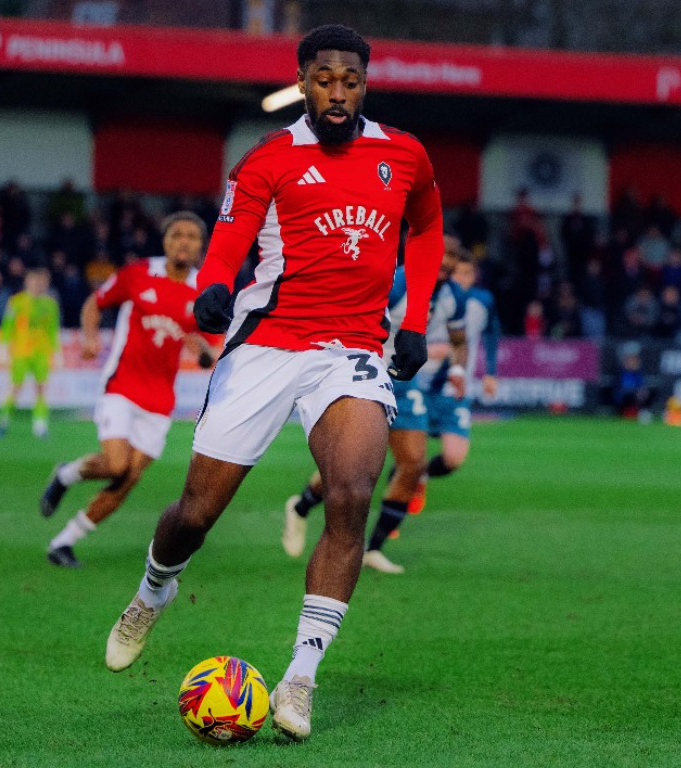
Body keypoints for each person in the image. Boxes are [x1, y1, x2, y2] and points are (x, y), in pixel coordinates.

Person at [102, 25, 444, 743]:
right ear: (303, 80)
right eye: (324, 80)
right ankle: (151, 592)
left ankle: (300, 679)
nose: (338, 93)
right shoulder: (269, 160)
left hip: (352, 348)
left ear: (364, 84)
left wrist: (414, 320)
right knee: (196, 514)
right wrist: (214, 286)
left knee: (351, 495)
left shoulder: (404, 154)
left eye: (350, 81)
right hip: (267, 345)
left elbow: (427, 227)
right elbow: (229, 237)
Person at [282, 234, 468, 572]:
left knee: (413, 463)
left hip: (405, 380)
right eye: (441, 253)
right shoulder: (398, 282)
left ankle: (373, 548)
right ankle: (300, 507)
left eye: (452, 256)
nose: (445, 261)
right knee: (353, 465)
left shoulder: (454, 296)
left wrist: (456, 367)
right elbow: (364, 318)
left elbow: (460, 339)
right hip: (365, 372)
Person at [39, 212, 216, 568]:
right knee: (116, 465)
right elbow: (95, 303)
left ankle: (63, 542)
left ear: (201, 246)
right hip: (121, 386)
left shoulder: (204, 291)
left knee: (127, 479)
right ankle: (66, 474)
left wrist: (203, 351)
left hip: (160, 401)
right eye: (177, 235)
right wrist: (90, 338)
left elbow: (213, 351)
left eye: (192, 236)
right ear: (165, 242)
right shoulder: (137, 274)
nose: (184, 241)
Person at [407, 252, 500, 515]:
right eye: (458, 273)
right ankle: (390, 517)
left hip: (455, 389)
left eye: (468, 273)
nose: (463, 279)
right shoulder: (431, 296)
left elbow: (492, 332)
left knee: (453, 458)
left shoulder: (483, 301)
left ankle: (420, 476)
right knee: (411, 454)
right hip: (421, 385)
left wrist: (491, 373)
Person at [0, 267, 62, 438]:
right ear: (27, 282)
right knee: (15, 388)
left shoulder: (51, 304)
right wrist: (2, 348)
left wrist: (58, 352)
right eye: (35, 281)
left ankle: (40, 426)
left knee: (41, 389)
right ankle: (3, 421)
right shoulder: (16, 302)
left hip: (41, 353)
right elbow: (7, 327)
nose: (38, 285)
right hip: (20, 351)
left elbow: (53, 331)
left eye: (42, 282)